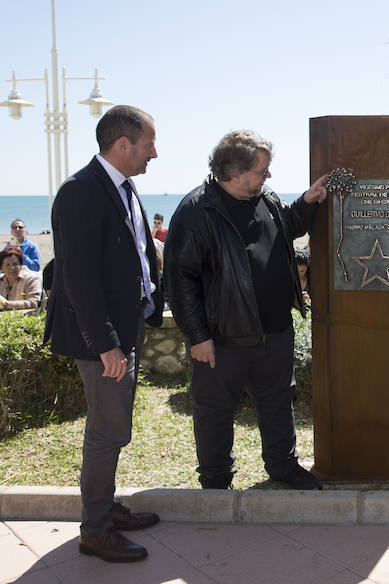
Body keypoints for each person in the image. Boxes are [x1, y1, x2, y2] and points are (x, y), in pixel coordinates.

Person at [165, 130, 327, 491]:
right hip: (221, 338)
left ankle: (283, 466)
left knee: (277, 401)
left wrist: (307, 201)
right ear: (235, 174)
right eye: (261, 170)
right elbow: (178, 281)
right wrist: (197, 336)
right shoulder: (196, 212)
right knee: (214, 410)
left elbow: (288, 227)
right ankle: (216, 479)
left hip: (275, 330)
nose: (268, 176)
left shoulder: (266, 198)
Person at [43, 105, 163, 563]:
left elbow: (133, 255)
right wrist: (107, 343)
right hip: (101, 341)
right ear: (123, 144)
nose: (155, 153)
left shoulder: (124, 188)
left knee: (113, 427)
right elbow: (79, 279)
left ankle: (105, 508)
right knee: (106, 429)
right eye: (150, 144)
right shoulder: (80, 192)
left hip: (123, 330)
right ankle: (95, 530)